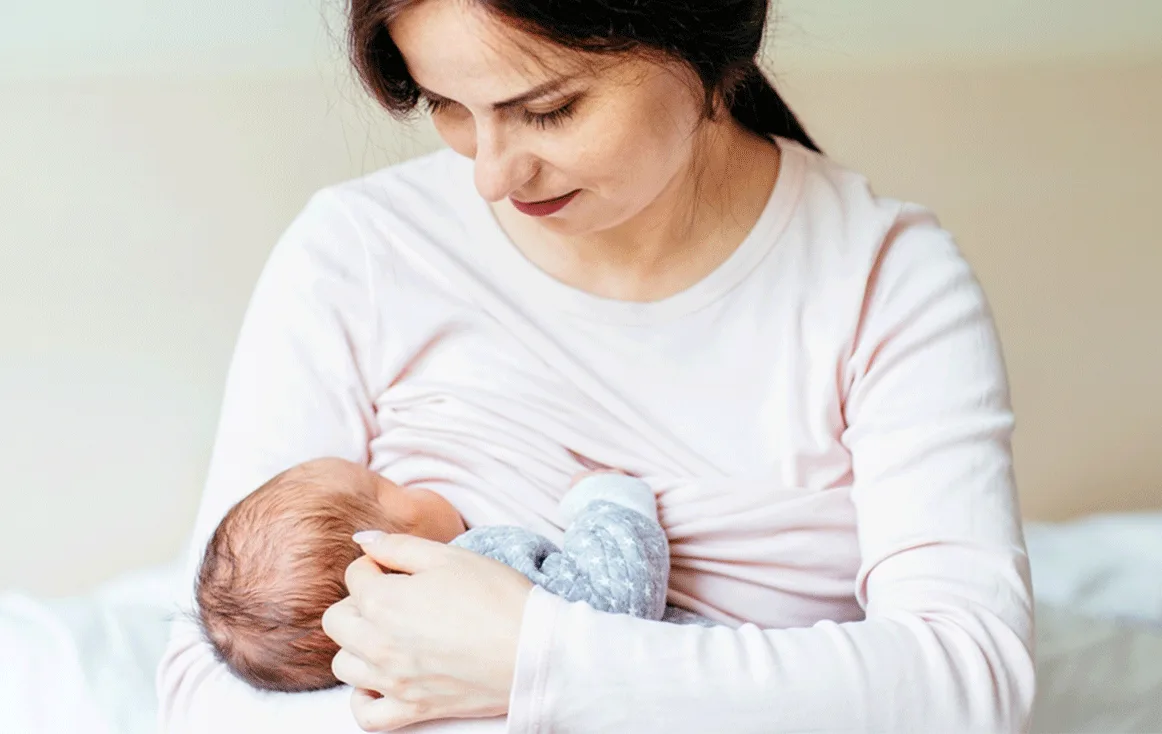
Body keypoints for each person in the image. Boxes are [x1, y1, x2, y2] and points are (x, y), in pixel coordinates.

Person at [157, 0, 1037, 731]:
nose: (491, 176)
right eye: (447, 105)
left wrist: (535, 660)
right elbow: (214, 683)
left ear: (700, 44)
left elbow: (965, 683)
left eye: (548, 110)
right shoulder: (360, 253)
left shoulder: (884, 280)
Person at [193, 459, 690, 693]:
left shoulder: (394, 683)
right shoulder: (477, 568)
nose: (408, 477)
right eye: (385, 485)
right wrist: (608, 502)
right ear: (385, 555)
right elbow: (614, 607)